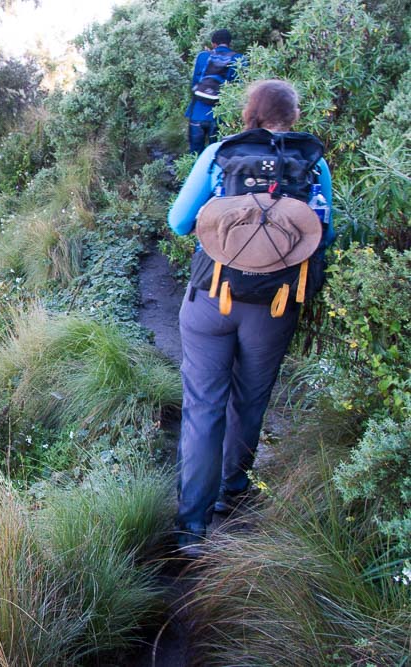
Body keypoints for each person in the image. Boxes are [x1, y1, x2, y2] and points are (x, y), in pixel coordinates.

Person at [167, 79, 335, 557]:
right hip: (275, 305)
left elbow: (179, 222)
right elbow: (325, 233)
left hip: (212, 297)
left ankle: (191, 531)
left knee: (203, 407)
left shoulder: (221, 153)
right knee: (250, 400)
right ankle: (232, 489)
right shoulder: (313, 162)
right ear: (293, 116)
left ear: (250, 112)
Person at [186, 29, 243, 154]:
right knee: (216, 155)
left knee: (194, 155)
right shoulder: (239, 59)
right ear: (229, 43)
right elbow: (240, 88)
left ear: (213, 44)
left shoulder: (203, 56)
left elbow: (195, 83)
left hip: (197, 113)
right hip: (220, 116)